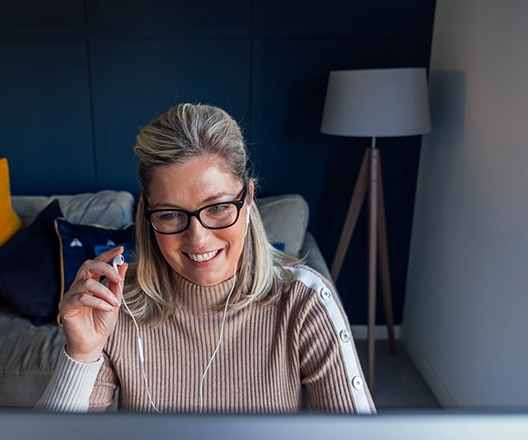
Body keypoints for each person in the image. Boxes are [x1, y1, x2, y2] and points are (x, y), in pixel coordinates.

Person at [35, 103, 375, 414]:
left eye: (217, 208)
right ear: (147, 212)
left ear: (249, 198)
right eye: (170, 214)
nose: (197, 238)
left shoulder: (305, 301)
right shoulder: (116, 306)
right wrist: (81, 354)